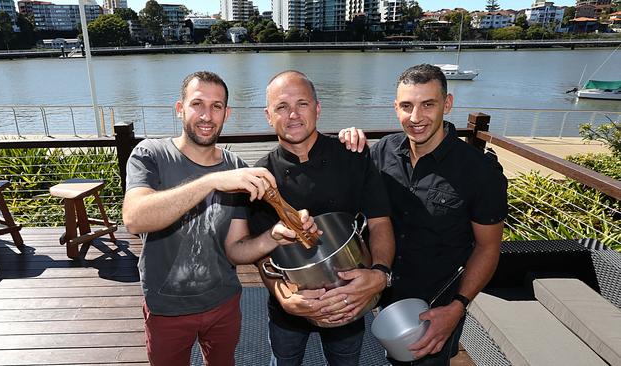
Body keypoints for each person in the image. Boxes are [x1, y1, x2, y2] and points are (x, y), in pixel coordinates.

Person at [122, 71, 319, 366]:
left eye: (216, 107)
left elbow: (235, 250)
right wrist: (210, 182)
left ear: (226, 113)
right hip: (166, 308)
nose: (206, 116)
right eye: (197, 104)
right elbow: (135, 218)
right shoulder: (151, 154)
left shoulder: (235, 166)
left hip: (223, 304)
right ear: (180, 109)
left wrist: (272, 236)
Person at [341, 63, 508, 365]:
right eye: (406, 106)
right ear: (395, 108)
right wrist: (346, 144)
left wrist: (457, 307)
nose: (415, 118)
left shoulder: (481, 173)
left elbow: (488, 247)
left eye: (428, 105)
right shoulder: (382, 152)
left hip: (436, 307)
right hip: (383, 294)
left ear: (448, 104)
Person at [249, 70, 396, 366]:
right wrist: (284, 298)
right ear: (268, 115)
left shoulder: (353, 156)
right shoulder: (261, 176)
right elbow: (260, 254)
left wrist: (380, 272)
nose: (292, 115)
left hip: (348, 298)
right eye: (281, 107)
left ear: (317, 108)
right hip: (291, 305)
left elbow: (380, 222)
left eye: (302, 104)